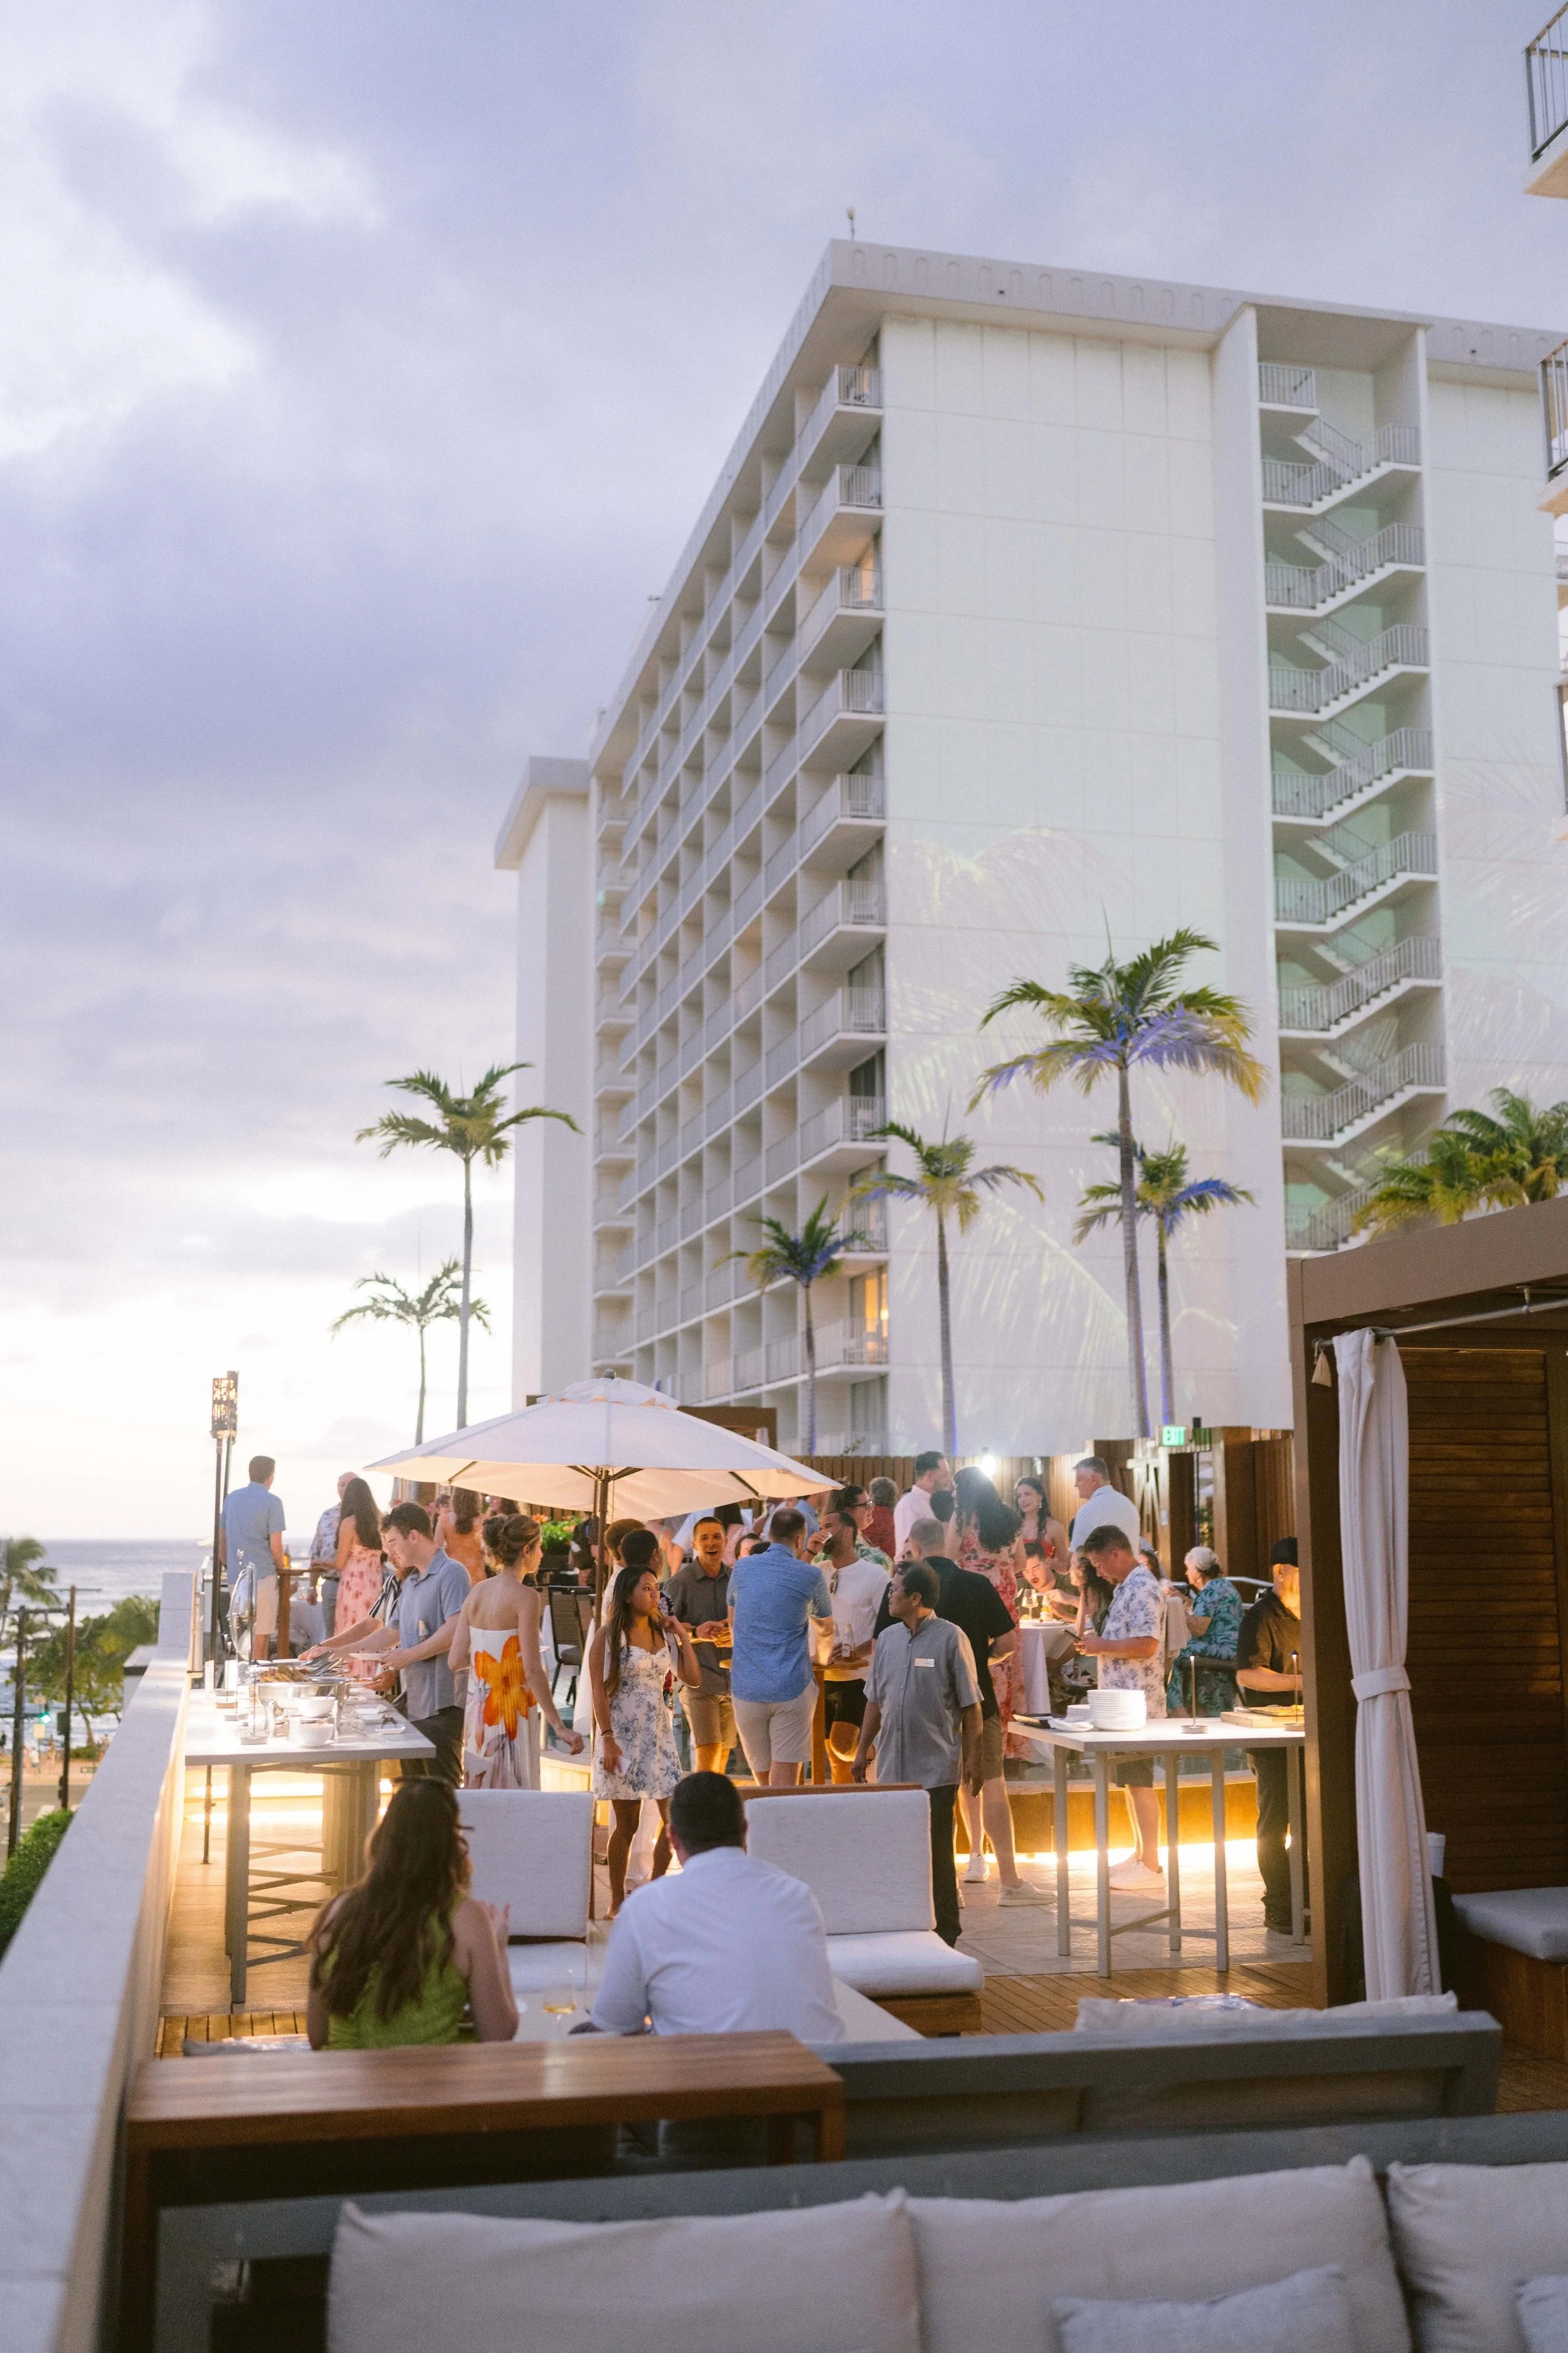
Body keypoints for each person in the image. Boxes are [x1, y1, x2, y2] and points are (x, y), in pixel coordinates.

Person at [575, 1771, 843, 2041]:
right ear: (745, 1830)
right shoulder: (797, 1896)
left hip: (716, 2077)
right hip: (825, 2072)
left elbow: (616, 2023)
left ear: (673, 1838)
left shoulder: (647, 1907)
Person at [898, 1517, 1044, 1903]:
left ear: (914, 1546)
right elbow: (1010, 1639)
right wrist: (982, 1658)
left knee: (936, 1791)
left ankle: (942, 1887)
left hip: (925, 1704)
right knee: (992, 1784)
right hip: (978, 1697)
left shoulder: (905, 1589)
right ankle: (1010, 1881)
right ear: (945, 1545)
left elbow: (889, 1643)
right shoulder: (977, 1584)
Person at [306, 1780, 516, 2047]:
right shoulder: (466, 1919)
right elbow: (498, 2035)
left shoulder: (337, 1911)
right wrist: (499, 1950)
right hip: (427, 2086)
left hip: (344, 2083)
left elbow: (317, 2035)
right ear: (451, 1844)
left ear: (384, 1838)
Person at [853, 1561, 982, 1947]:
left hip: (936, 1769)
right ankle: (903, 1926)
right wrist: (862, 1751)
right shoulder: (889, 1639)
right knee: (897, 1853)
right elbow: (875, 1701)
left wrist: (974, 1759)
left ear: (915, 1598)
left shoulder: (950, 1638)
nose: (889, 1596)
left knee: (937, 1855)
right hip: (893, 1768)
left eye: (896, 1591)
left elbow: (971, 1706)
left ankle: (946, 1934)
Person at [306, 1502, 472, 1783]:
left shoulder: (452, 1573)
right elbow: (390, 1631)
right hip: (416, 1699)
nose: (389, 1552)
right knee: (413, 1787)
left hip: (444, 1701)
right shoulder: (411, 1581)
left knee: (445, 1787)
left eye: (393, 1543)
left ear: (415, 1536)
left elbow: (456, 1629)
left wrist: (410, 1656)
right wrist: (337, 1652)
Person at [589, 1538, 702, 1914]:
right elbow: (598, 1694)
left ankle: (655, 1895)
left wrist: (682, 1635)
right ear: (627, 1594)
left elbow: (694, 1678)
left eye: (657, 1589)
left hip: (660, 1734)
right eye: (647, 1589)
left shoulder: (664, 1633)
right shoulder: (608, 1638)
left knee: (673, 1823)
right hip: (622, 1736)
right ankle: (618, 1900)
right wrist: (607, 1740)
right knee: (627, 1823)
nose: (655, 1596)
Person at [451, 1512, 583, 1785]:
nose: (543, 1554)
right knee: (515, 1798)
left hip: (479, 1713)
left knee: (482, 1795)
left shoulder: (477, 1592)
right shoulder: (526, 1597)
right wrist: (559, 1726)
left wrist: (490, 1665)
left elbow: (455, 1660)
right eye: (540, 1547)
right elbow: (533, 1670)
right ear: (526, 1550)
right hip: (512, 1712)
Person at [1073, 1522, 1168, 1889]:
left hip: (1137, 1703)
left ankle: (1153, 1864)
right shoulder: (1127, 1587)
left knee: (1140, 1781)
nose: (1097, 1572)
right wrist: (1101, 1642)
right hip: (1122, 1701)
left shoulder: (1143, 1587)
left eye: (1099, 1564)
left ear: (1116, 1554)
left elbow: (1147, 1644)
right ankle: (1141, 1853)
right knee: (1130, 1781)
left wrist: (1101, 1646)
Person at [726, 1507, 835, 1786]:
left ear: (769, 1535)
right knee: (784, 1790)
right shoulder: (810, 1576)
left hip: (747, 1688)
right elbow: (825, 1628)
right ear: (801, 1540)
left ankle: (761, 1830)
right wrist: (821, 1658)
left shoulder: (742, 1567)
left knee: (764, 1789)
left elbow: (733, 1622)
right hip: (791, 1688)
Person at [1236, 1537, 1306, 1935]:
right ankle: (1279, 1904)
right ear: (1281, 1572)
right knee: (1275, 1822)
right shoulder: (1261, 1616)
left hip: (1309, 1732)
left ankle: (1311, 1901)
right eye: (1303, 1568)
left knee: (1312, 1824)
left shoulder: (1314, 1614)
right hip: (1270, 1734)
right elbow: (1247, 1673)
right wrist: (1299, 1681)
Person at [952, 1465, 1026, 1762]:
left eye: (958, 1488)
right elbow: (1020, 1561)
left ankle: (977, 1738)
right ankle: (1002, 1739)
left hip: (974, 1593)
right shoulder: (1009, 1517)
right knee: (1005, 1666)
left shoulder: (964, 1517)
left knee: (977, 1664)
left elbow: (947, 1557)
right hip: (1006, 1594)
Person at [815, 1507, 890, 1781]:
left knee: (843, 1745)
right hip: (822, 1676)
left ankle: (873, 1752)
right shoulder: (816, 1571)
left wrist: (856, 1652)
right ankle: (845, 1808)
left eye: (829, 1526)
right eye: (820, 1526)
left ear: (848, 1531)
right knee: (834, 1760)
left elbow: (887, 1627)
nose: (823, 1532)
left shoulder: (875, 1575)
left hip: (858, 1676)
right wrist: (810, 1552)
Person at [661, 1515, 737, 1773]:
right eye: (704, 1537)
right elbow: (661, 1628)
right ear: (694, 1543)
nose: (711, 1542)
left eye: (717, 1536)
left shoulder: (736, 1580)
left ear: (726, 1541)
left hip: (732, 1680)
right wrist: (696, 1633)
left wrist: (733, 1630)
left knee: (724, 1754)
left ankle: (713, 1809)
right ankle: (699, 1809)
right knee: (709, 1749)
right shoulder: (679, 1583)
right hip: (698, 1679)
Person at [221, 1455, 287, 1662]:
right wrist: (280, 1567)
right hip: (263, 1576)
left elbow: (222, 1539)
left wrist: (226, 1564)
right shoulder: (273, 1502)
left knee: (243, 1640)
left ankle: (245, 1686)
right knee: (261, 1639)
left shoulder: (231, 1499)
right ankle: (256, 1688)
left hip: (236, 1579)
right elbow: (276, 1547)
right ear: (271, 1477)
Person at [326, 1477, 388, 1688]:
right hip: (375, 1585)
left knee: (350, 1633)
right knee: (373, 1634)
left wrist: (319, 1562)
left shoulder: (349, 1523)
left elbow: (340, 1562)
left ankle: (350, 1683)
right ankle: (371, 1681)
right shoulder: (380, 1519)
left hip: (353, 1586)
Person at [1173, 1544, 1244, 1716]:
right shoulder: (1224, 1587)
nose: (1186, 1573)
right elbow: (1208, 1613)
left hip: (1220, 1647)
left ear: (1198, 1571)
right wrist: (1182, 1600)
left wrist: (1178, 1612)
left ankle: (1177, 1707)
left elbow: (1199, 1629)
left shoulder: (1210, 1591)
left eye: (1188, 1569)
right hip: (1234, 1647)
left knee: (1176, 1654)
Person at [309, 1472, 354, 1636]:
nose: (346, 1488)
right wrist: (311, 1587)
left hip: (359, 1586)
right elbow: (316, 1552)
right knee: (332, 1637)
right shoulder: (327, 1516)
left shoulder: (368, 1517)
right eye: (342, 1485)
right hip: (332, 1584)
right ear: (337, 1489)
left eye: (350, 1484)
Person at [1069, 1456, 1142, 1553]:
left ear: (1094, 1480)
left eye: (1079, 1479)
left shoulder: (1088, 1510)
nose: (1076, 1485)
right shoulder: (1129, 1505)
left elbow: (1078, 1553)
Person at [1015, 1475, 1071, 1586]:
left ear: (1040, 1496)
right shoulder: (1012, 1527)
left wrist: (1048, 1562)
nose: (1023, 1499)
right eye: (1019, 1496)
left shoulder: (1054, 1527)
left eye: (1028, 1494)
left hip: (1044, 1586)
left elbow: (1066, 1567)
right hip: (1017, 1586)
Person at [893, 1452, 953, 1554]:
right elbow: (909, 1549)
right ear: (929, 1476)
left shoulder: (939, 1502)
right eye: (945, 1475)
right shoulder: (909, 1504)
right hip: (920, 1569)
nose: (949, 1480)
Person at [827, 1484, 891, 1570]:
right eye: (867, 1505)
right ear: (848, 1512)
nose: (872, 1508)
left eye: (871, 1503)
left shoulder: (859, 1535)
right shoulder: (839, 1543)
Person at [435, 1489, 487, 1584]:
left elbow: (436, 1551)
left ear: (455, 1499)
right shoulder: (484, 1520)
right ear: (477, 1500)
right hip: (476, 1575)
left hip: (452, 1575)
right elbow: (487, 1549)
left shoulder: (444, 1521)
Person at [865, 1477, 898, 1563]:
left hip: (868, 1562)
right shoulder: (897, 1517)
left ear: (872, 1494)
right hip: (892, 1564)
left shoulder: (866, 1516)